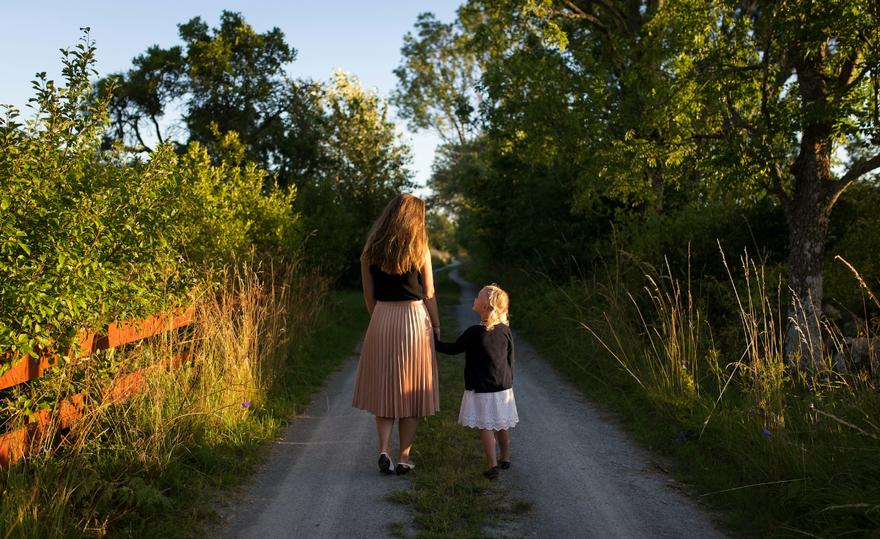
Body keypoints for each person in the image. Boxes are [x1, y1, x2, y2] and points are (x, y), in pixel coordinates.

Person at [352, 194, 441, 476]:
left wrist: (380, 320)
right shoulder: (420, 248)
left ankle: (383, 451)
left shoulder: (370, 251)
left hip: (381, 318)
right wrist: (436, 326)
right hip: (414, 319)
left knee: (385, 390)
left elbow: (369, 297)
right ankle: (403, 458)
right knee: (411, 391)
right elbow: (428, 293)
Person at [435, 284, 518, 479]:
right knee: (501, 424)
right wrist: (508, 380)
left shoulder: (474, 332)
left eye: (478, 296)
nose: (475, 298)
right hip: (503, 387)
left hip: (481, 388)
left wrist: (433, 342)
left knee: (486, 426)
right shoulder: (505, 331)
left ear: (486, 307)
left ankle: (492, 465)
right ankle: (505, 457)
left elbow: (453, 349)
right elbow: (510, 358)